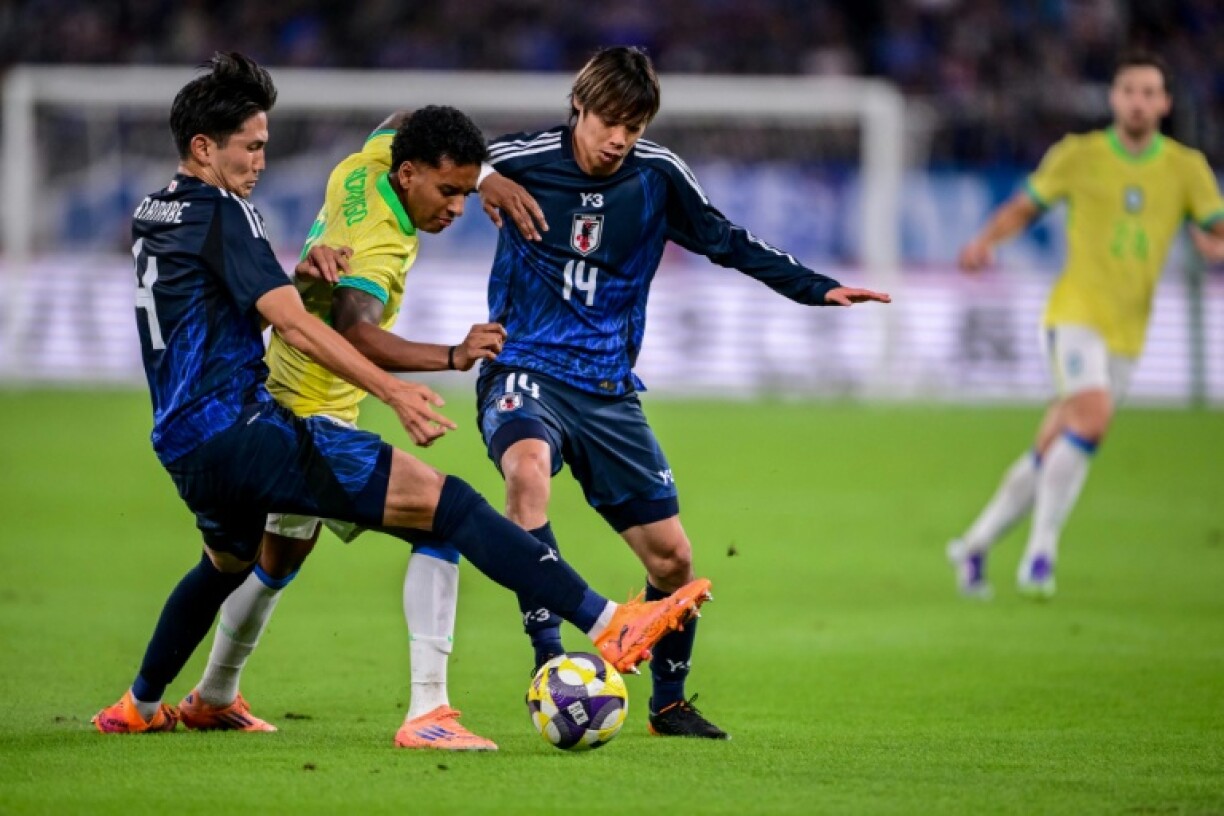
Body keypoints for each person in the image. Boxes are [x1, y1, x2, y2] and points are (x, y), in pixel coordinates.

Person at [93, 52, 712, 737]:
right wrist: (402, 386)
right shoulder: (256, 220)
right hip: (253, 424)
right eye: (252, 147)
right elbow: (313, 325)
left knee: (235, 561)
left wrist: (483, 177)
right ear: (205, 147)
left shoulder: (164, 207)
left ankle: (144, 705)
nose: (262, 161)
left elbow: (395, 128)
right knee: (448, 510)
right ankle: (568, 641)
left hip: (184, 442)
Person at [475, 46, 890, 739]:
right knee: (527, 474)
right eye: (609, 120)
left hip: (607, 389)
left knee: (673, 559)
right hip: (524, 365)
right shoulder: (519, 157)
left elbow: (727, 240)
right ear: (579, 105)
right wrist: (484, 175)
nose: (618, 139)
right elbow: (415, 144)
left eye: (633, 127)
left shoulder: (657, 177)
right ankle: (550, 665)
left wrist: (816, 287)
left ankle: (668, 704)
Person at [179, 106, 513, 750]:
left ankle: (212, 695)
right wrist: (452, 355)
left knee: (275, 561)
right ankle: (429, 713)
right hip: (314, 411)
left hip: (278, 388)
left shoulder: (364, 165)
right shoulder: (379, 241)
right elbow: (357, 331)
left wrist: (483, 171)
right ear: (411, 173)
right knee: (440, 522)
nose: (457, 209)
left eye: (467, 194)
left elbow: (403, 117)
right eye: (450, 192)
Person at [947, 51, 1224, 599]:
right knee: (1092, 418)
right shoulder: (1080, 156)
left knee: (1055, 443)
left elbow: (1217, 230)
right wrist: (985, 241)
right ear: (1113, 98)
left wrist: (1214, 246)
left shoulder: (1186, 168)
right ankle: (1040, 557)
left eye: (1150, 92)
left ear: (1165, 103)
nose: (1139, 102)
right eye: (1129, 91)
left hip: (1129, 330)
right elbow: (1025, 207)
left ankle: (973, 547)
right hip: (1074, 313)